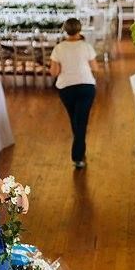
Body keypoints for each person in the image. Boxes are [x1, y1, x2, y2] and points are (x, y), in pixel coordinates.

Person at [49, 18, 100, 169]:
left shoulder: (58, 48)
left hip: (66, 88)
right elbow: (95, 68)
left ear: (65, 30)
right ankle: (78, 156)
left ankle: (78, 153)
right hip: (86, 87)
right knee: (80, 121)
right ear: (80, 29)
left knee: (75, 120)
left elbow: (54, 72)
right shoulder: (86, 46)